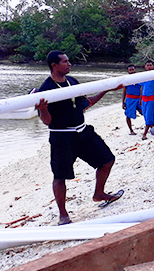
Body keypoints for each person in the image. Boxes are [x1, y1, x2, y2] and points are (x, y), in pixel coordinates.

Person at [35, 51, 123, 225]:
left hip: (83, 132)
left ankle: (99, 194)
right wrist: (43, 109)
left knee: (107, 160)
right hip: (62, 138)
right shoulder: (46, 89)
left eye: (68, 61)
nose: (69, 64)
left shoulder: (72, 82)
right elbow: (47, 121)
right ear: (54, 65)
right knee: (60, 176)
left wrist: (106, 89)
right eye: (65, 62)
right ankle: (63, 215)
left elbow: (85, 104)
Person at [141, 60, 154, 139]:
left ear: (153, 66)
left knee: (150, 114)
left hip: (152, 97)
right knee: (145, 114)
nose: (149, 67)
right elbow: (141, 88)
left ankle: (145, 133)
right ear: (145, 67)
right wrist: (140, 99)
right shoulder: (143, 76)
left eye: (150, 65)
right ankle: (152, 126)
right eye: (148, 65)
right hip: (144, 98)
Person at [122, 64, 141, 135]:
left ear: (135, 70)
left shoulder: (139, 78)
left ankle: (149, 125)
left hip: (139, 98)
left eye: (133, 69)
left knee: (144, 112)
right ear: (128, 71)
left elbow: (142, 88)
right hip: (130, 99)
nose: (132, 71)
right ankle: (131, 130)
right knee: (128, 115)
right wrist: (123, 102)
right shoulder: (126, 80)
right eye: (130, 70)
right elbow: (124, 91)